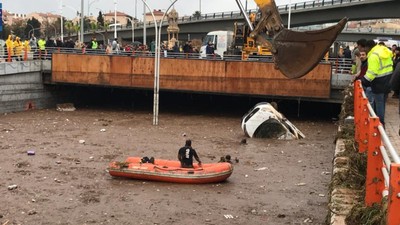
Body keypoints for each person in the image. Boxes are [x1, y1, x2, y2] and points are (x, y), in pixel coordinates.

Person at [361, 40, 393, 126]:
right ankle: (380, 122)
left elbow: (372, 73)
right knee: (382, 103)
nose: (365, 50)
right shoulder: (383, 50)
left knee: (379, 104)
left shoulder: (373, 55)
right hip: (387, 80)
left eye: (365, 48)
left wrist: (363, 81)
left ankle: (379, 123)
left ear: (368, 47)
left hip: (379, 82)